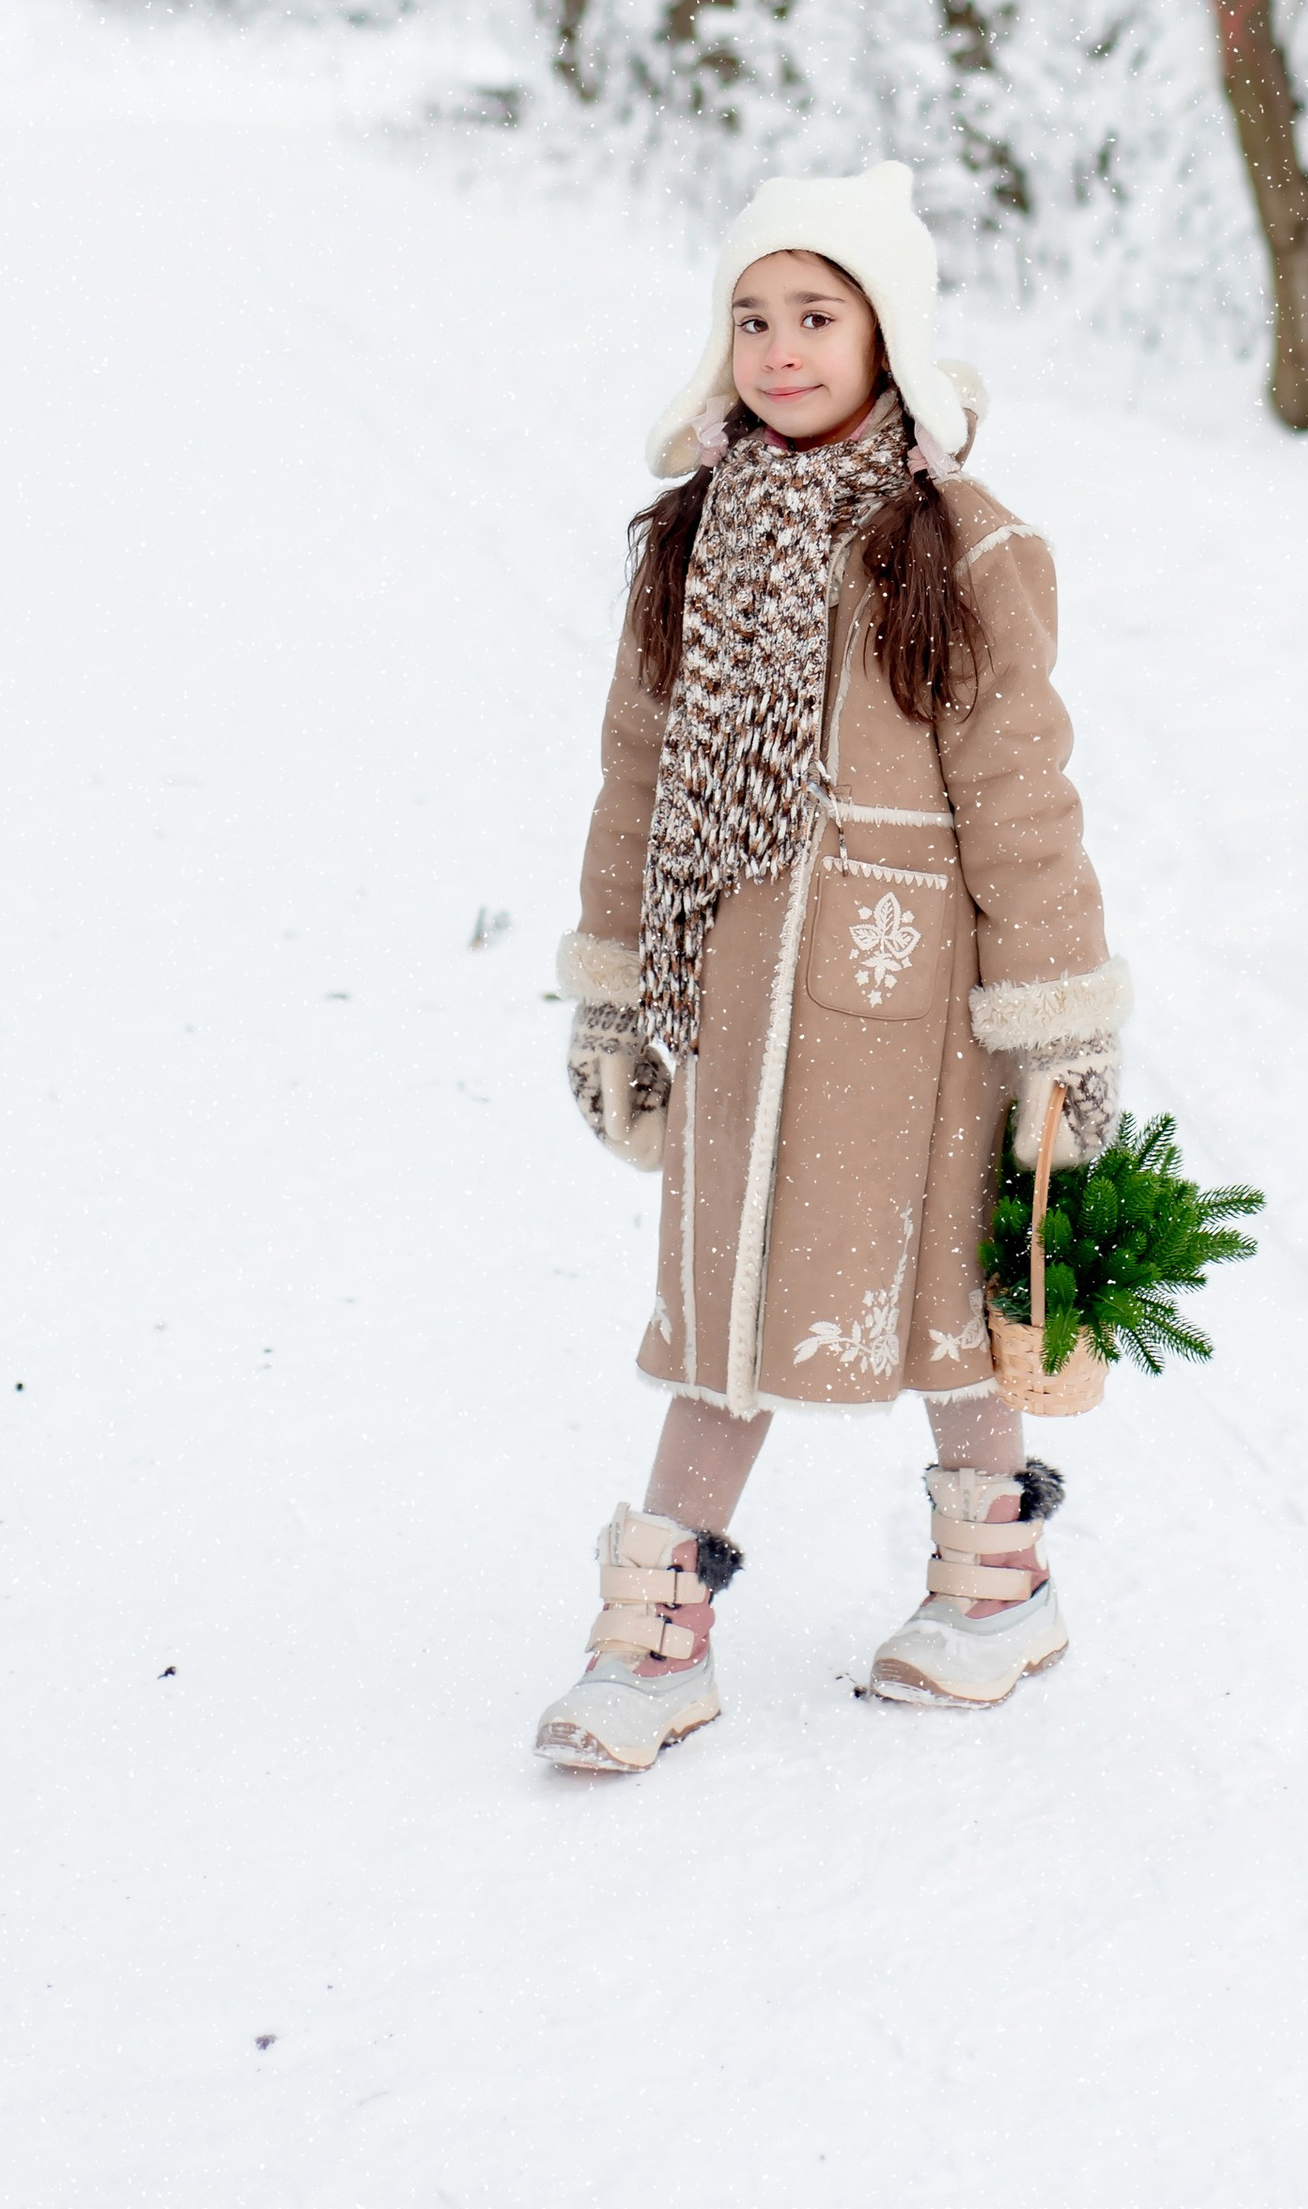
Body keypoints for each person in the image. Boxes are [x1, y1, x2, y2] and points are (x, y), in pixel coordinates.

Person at [534, 162, 1129, 1773]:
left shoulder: (960, 548)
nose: (781, 349)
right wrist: (613, 989)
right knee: (720, 1308)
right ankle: (656, 1640)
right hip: (730, 988)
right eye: (753, 318)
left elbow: (1022, 801)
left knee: (942, 1298)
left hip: (911, 1003)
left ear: (888, 337)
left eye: (817, 315)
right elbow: (637, 775)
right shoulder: (690, 539)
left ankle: (996, 1585)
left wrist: (1059, 1028)